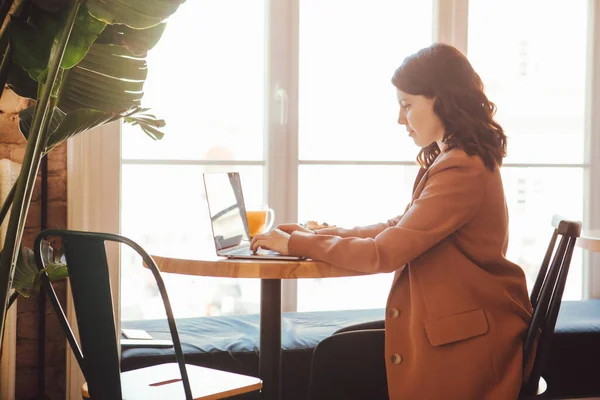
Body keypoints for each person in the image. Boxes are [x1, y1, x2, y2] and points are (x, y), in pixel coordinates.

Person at [250, 43, 532, 400]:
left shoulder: (461, 168)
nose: (401, 119)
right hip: (458, 324)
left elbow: (384, 253)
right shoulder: (455, 160)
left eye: (407, 105)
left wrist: (297, 244)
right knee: (335, 349)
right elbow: (399, 227)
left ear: (441, 100)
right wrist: (319, 234)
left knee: (334, 360)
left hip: (468, 341)